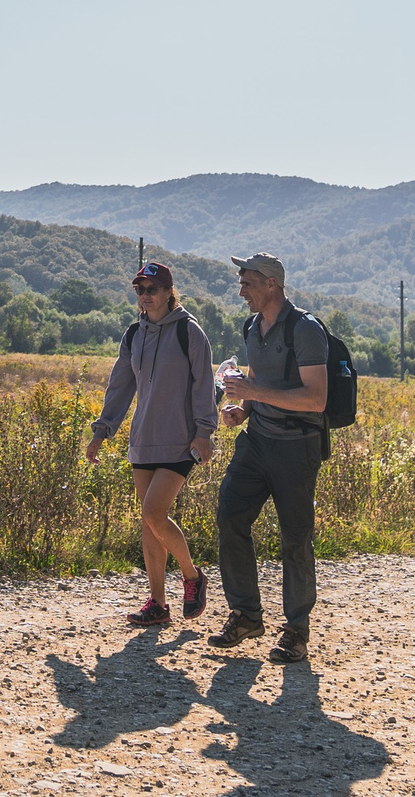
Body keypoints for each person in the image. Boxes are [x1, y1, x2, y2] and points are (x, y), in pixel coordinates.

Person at [210, 253, 331, 665]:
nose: (241, 290)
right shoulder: (252, 326)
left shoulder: (306, 329)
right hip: (257, 441)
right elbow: (259, 381)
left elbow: (316, 398)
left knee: (295, 538)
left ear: (271, 285)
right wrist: (243, 409)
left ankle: (296, 630)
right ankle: (246, 616)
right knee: (230, 516)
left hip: (297, 447)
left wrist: (254, 394)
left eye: (247, 283)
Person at [87, 261, 217, 628]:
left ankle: (192, 576)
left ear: (168, 292)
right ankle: (157, 604)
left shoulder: (189, 332)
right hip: (143, 439)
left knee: (154, 513)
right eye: (140, 290)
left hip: (180, 439)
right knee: (149, 523)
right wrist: (102, 430)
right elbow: (120, 386)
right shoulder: (133, 335)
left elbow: (204, 384)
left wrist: (205, 432)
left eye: (152, 289)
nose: (146, 296)